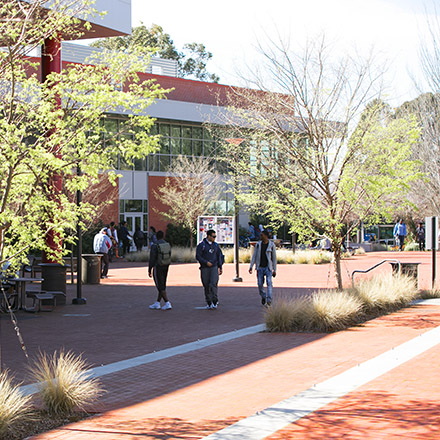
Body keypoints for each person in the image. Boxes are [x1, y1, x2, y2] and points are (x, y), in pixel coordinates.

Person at [196, 229, 224, 309]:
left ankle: (215, 300)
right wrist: (205, 262)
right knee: (206, 285)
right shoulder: (202, 245)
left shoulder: (215, 245)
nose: (214, 238)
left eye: (215, 236)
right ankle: (208, 302)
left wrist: (220, 266)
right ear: (208, 236)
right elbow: (198, 256)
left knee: (213, 283)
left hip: (214, 267)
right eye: (213, 236)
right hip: (205, 268)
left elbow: (219, 256)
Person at [249, 229, 277, 306]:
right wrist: (251, 266)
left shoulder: (271, 245)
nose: (260, 236)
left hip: (268, 268)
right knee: (260, 284)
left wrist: (274, 269)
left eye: (262, 235)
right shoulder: (258, 245)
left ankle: (269, 300)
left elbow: (274, 258)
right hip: (260, 267)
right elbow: (254, 256)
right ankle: (263, 296)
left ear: (265, 236)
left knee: (269, 283)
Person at [148, 230, 172, 310]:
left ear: (156, 237)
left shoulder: (155, 245)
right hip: (166, 265)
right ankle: (157, 302)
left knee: (159, 284)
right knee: (163, 283)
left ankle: (167, 302)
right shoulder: (167, 244)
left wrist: (149, 269)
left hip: (158, 265)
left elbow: (152, 258)